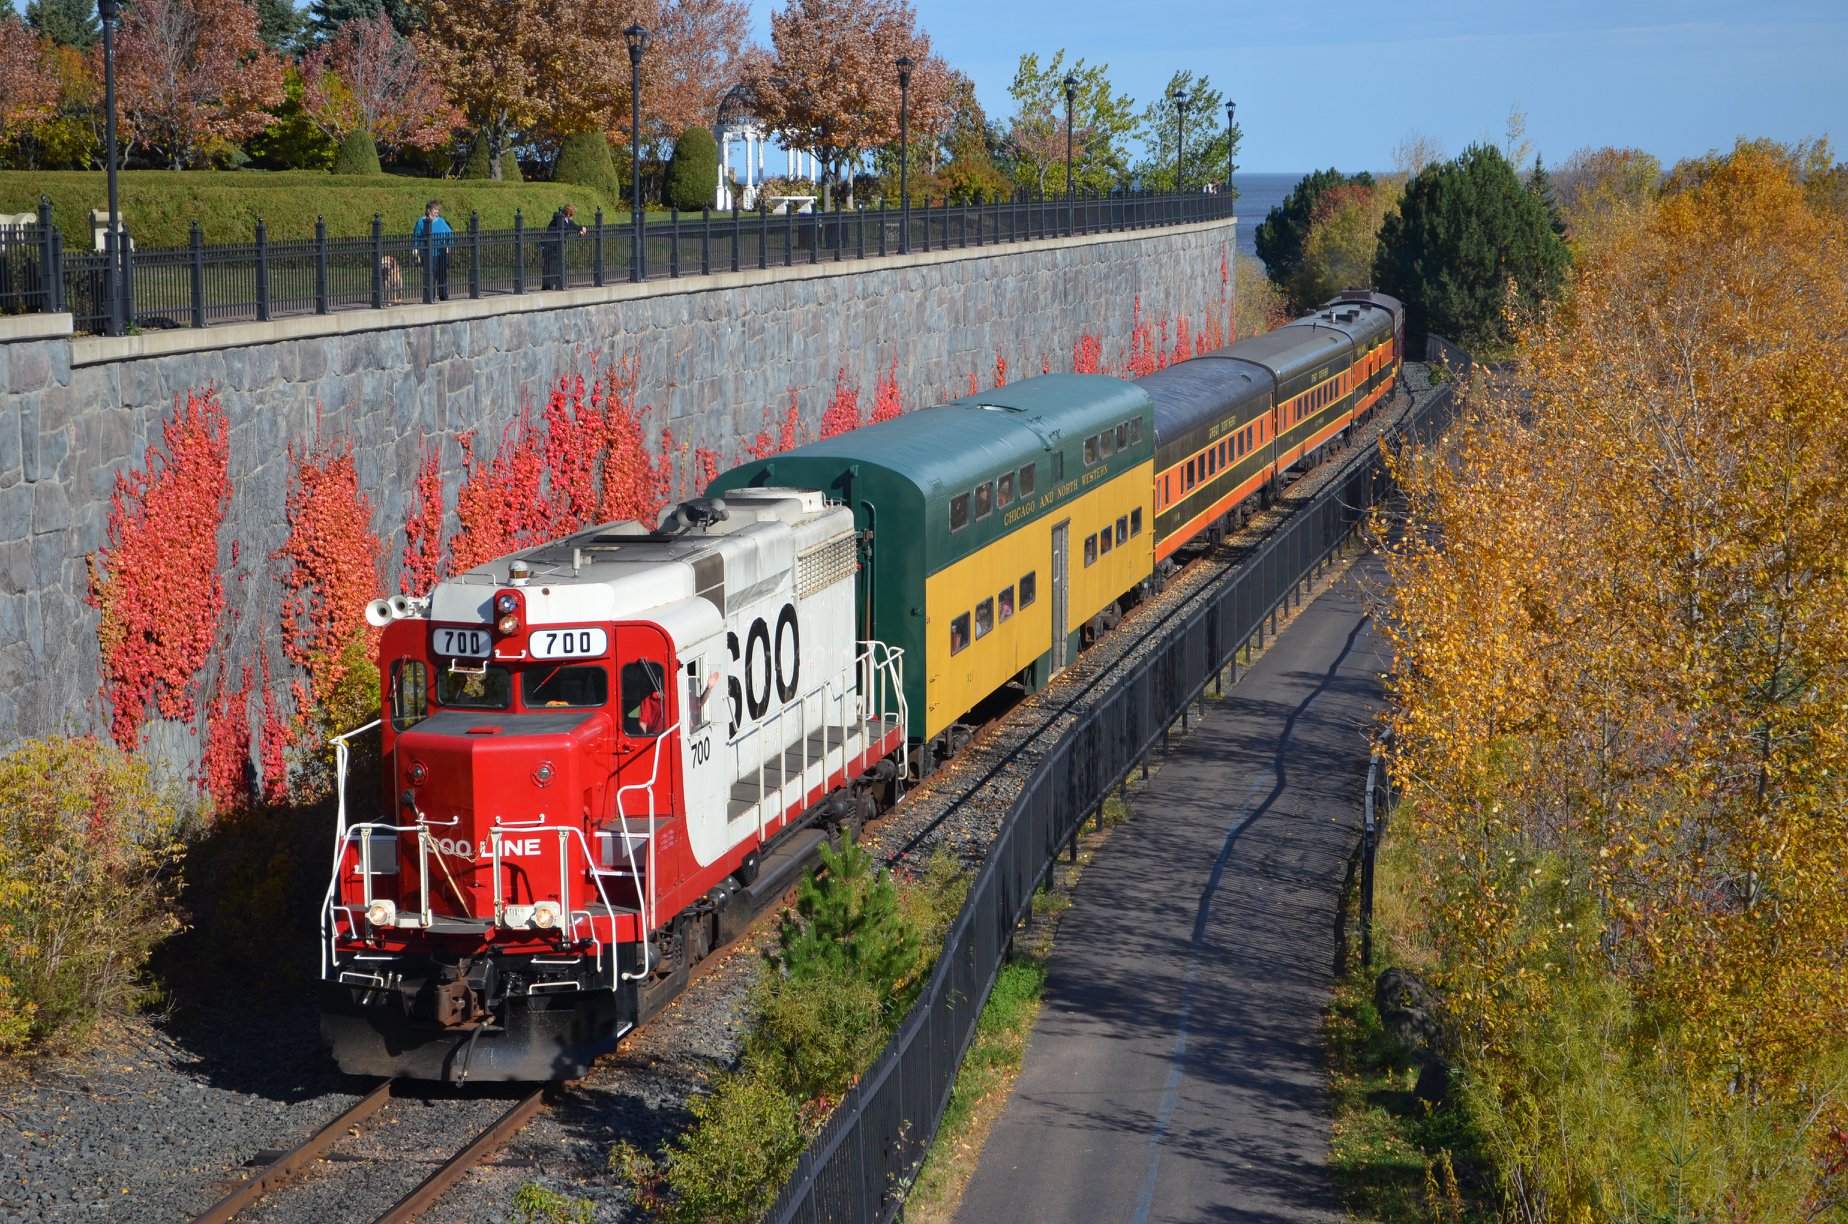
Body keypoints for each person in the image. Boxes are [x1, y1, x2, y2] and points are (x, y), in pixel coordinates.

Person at [411, 200, 452, 301]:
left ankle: (443, 296)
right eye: (435, 209)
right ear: (429, 210)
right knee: (430, 275)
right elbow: (416, 236)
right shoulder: (421, 221)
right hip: (428, 253)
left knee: (442, 275)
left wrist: (448, 245)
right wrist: (415, 250)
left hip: (441, 252)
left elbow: (449, 232)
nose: (437, 212)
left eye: (438, 210)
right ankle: (430, 296)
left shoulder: (441, 221)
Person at [543, 203, 587, 290]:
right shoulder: (558, 220)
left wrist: (581, 229)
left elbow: (573, 226)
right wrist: (580, 229)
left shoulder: (566, 221)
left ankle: (554, 284)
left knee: (556, 265)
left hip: (556, 246)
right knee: (550, 266)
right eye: (572, 215)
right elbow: (566, 227)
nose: (573, 217)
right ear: (568, 214)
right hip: (550, 246)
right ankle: (548, 286)